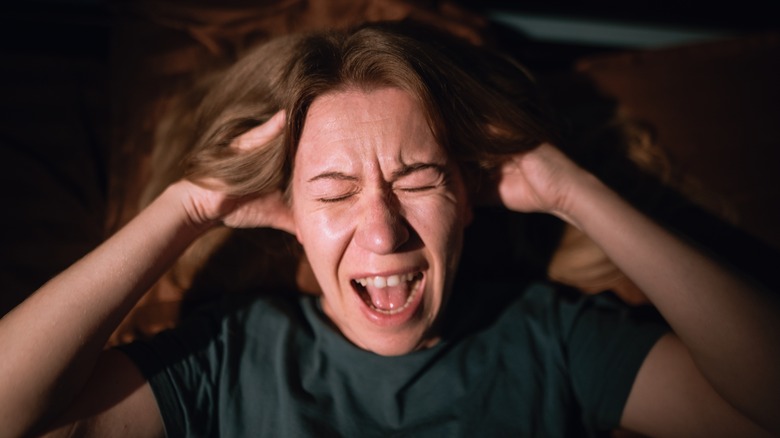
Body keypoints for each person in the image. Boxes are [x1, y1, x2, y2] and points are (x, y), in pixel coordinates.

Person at [1, 21, 778, 437]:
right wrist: (188, 208)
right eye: (334, 193)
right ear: (290, 217)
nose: (383, 233)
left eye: (418, 181)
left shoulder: (553, 339)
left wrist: (572, 190)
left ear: (469, 195)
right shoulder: (228, 356)